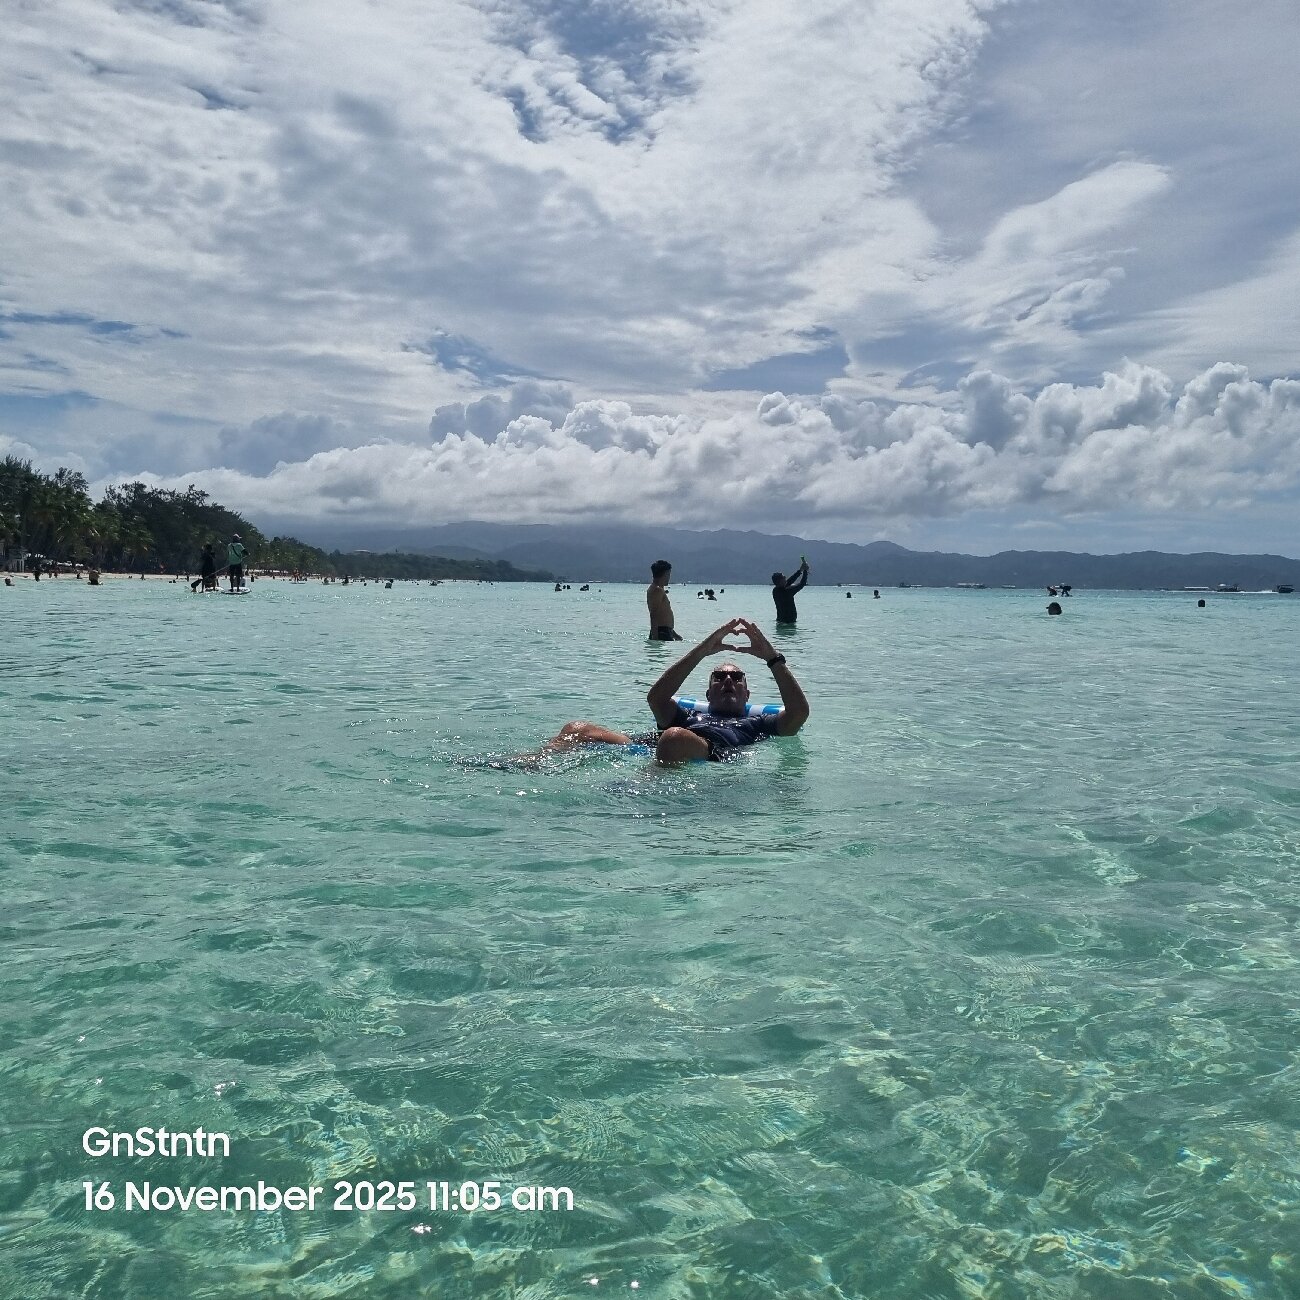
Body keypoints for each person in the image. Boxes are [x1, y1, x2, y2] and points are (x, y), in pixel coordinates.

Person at [542, 619, 809, 764]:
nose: (728, 680)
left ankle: (641, 791)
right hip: (654, 743)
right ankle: (531, 764)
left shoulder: (757, 724)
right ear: (708, 694)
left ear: (747, 695)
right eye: (719, 677)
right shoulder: (687, 714)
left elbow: (798, 713)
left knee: (673, 737)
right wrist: (703, 651)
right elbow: (656, 698)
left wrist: (772, 658)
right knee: (576, 728)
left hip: (709, 749)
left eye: (737, 677)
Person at [647, 559, 682, 640]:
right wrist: (655, 638)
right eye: (668, 574)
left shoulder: (658, 589)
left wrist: (673, 633)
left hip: (664, 631)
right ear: (664, 574)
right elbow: (654, 614)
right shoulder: (657, 590)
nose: (669, 577)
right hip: (661, 633)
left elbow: (662, 614)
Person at [771, 557, 810, 624]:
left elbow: (788, 582)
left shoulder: (775, 590)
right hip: (789, 623)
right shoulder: (787, 592)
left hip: (780, 621)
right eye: (783, 577)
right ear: (779, 581)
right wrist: (805, 571)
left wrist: (800, 570)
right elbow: (802, 584)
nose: (785, 577)